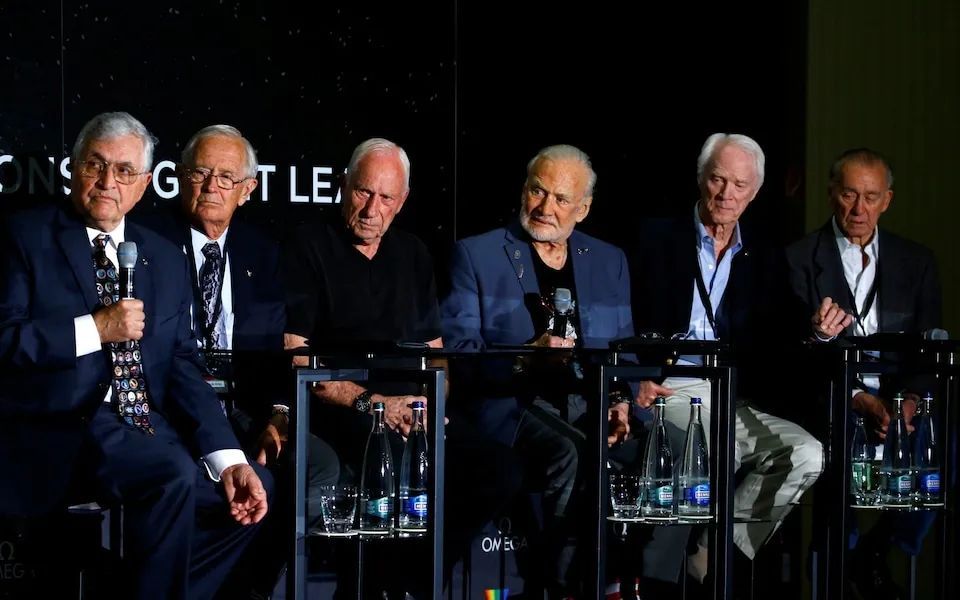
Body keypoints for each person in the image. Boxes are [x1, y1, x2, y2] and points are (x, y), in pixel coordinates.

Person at [0, 111, 271, 600]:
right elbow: (6, 341)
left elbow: (182, 366)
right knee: (171, 475)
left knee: (256, 488)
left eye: (124, 171)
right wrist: (95, 329)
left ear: (145, 183)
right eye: (95, 165)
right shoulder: (26, 237)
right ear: (74, 168)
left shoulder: (162, 256)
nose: (108, 182)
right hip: (64, 426)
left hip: (148, 426)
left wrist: (228, 458)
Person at [440, 144, 687, 598]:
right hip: (512, 404)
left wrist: (621, 402)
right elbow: (460, 353)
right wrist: (525, 357)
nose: (545, 207)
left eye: (560, 199)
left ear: (583, 208)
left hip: (588, 399)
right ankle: (564, 587)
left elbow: (623, 353)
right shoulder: (476, 255)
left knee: (676, 445)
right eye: (538, 191)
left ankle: (645, 583)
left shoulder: (609, 260)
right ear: (524, 188)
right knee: (573, 451)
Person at [281, 137, 522, 597]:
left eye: (386, 197)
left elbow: (436, 353)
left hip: (413, 411)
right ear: (343, 185)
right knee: (390, 464)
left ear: (403, 200)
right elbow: (298, 357)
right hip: (343, 409)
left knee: (497, 468)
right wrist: (376, 405)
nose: (372, 209)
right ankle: (382, 585)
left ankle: (409, 580)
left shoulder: (412, 253)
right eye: (363, 192)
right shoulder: (308, 245)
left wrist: (430, 404)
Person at [151, 124, 339, 598]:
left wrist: (279, 415)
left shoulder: (263, 253)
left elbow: (278, 350)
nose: (211, 186)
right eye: (200, 173)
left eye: (226, 177)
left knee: (318, 466)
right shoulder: (150, 242)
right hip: (172, 405)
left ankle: (249, 586)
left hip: (243, 408)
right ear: (181, 177)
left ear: (248, 189)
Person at [629, 133, 824, 580]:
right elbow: (622, 313)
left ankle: (712, 556)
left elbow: (785, 324)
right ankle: (665, 574)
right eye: (718, 180)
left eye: (740, 185)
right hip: (668, 386)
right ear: (702, 179)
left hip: (731, 392)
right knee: (717, 449)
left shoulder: (764, 254)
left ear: (754, 193)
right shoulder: (655, 237)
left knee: (806, 453)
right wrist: (634, 377)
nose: (727, 194)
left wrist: (818, 329)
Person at [786, 147, 941, 600]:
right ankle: (837, 568)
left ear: (886, 201)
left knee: (944, 450)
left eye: (871, 197)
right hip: (833, 400)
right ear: (831, 193)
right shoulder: (798, 258)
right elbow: (797, 357)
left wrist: (908, 403)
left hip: (898, 403)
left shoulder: (917, 261)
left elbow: (929, 349)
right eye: (849, 194)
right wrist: (858, 400)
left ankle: (876, 551)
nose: (859, 209)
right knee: (840, 457)